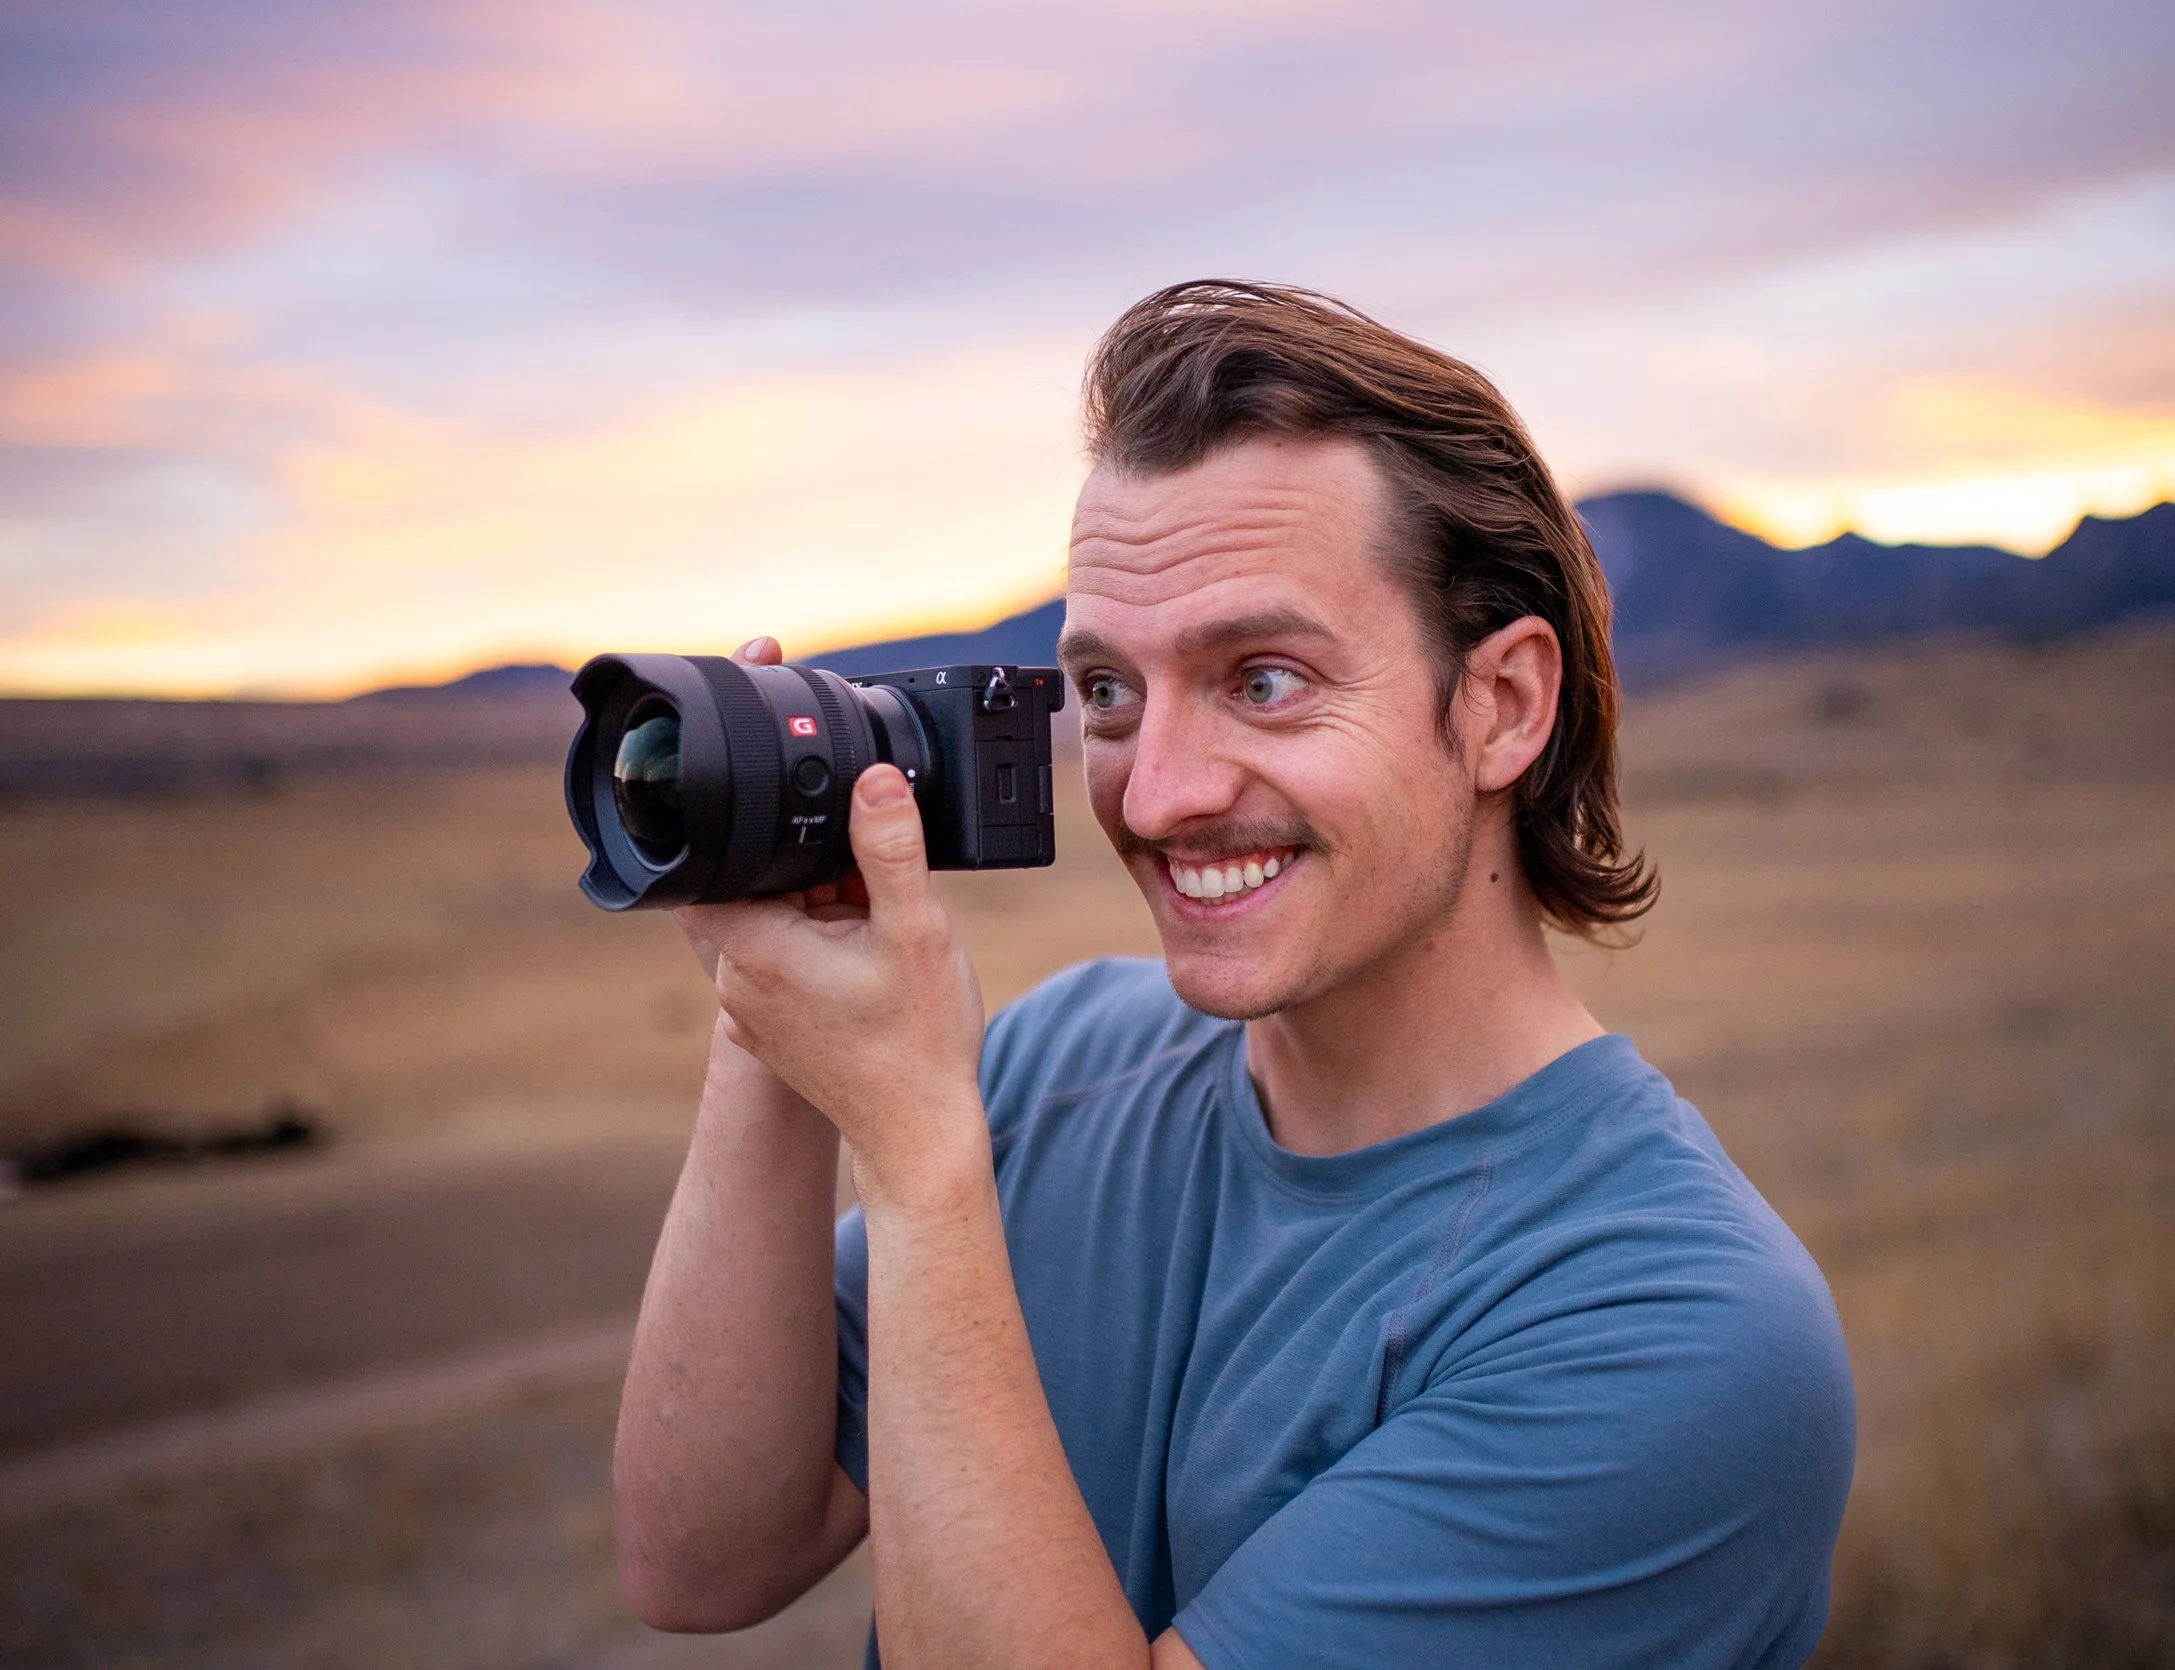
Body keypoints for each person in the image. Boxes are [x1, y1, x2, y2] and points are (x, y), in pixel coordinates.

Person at [611, 280, 1854, 1669]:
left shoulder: (1678, 1331)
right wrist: (767, 1004)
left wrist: (915, 1160)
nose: (1155, 793)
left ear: (1502, 703)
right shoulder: (1062, 1062)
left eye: (1263, 677)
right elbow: (701, 1553)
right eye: (1108, 691)